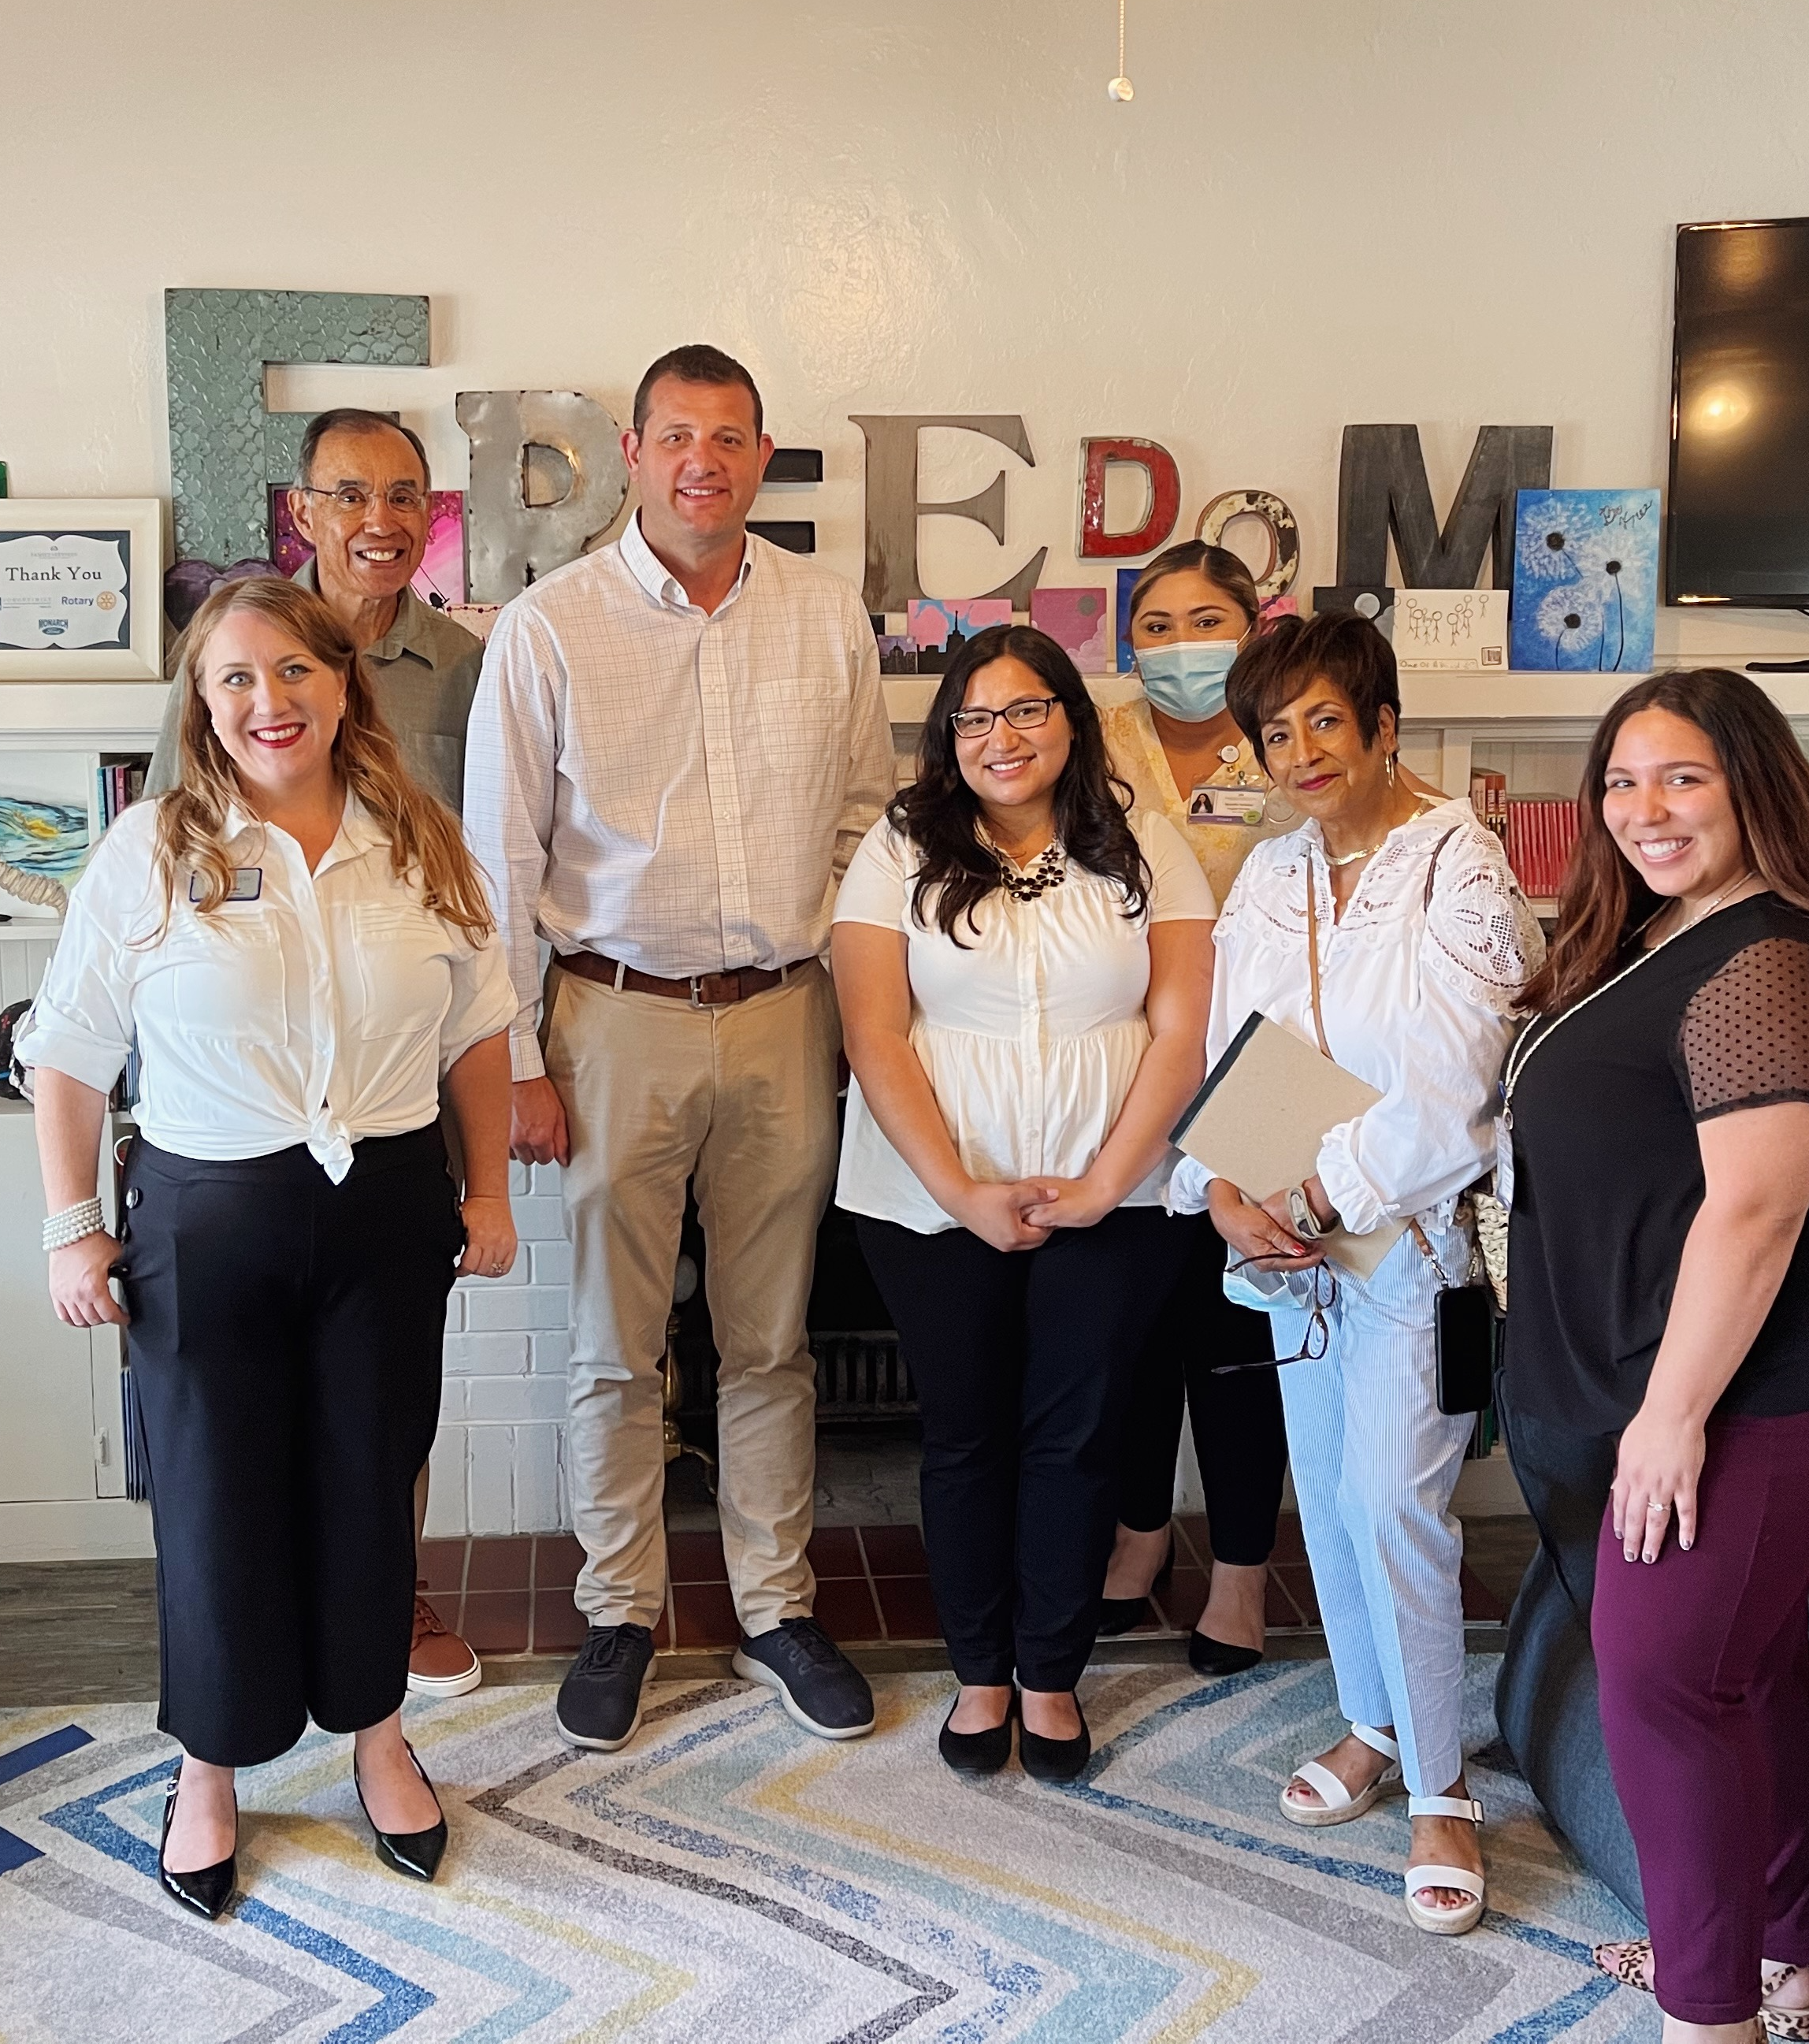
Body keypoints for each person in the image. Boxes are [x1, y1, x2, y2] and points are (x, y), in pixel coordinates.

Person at [24, 577, 518, 1919]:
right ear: (202, 699)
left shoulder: (422, 839)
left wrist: (488, 1197)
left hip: (386, 1208)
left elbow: (478, 1028)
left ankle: (375, 1733)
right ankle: (210, 1766)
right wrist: (74, 1225)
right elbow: (66, 1053)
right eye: (237, 676)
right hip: (207, 1216)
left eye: (295, 669)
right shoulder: (150, 846)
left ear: (343, 681)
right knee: (214, 1496)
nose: (269, 700)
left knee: (371, 1481)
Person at [1500, 670, 1809, 2044]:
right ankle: (1779, 1953)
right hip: (1699, 1357)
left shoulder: (1775, 960)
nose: (1644, 809)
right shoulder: (1666, 930)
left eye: (1681, 776)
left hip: (1783, 1372)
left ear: (1754, 782)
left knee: (1663, 1675)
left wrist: (1670, 1414)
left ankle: (1712, 2016)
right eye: (1622, 781)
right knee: (1744, 1663)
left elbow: (1754, 1210)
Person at [467, 343, 894, 1755]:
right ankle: (620, 1610)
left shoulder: (828, 619)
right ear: (634, 455)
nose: (701, 459)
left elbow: (859, 829)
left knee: (773, 1339)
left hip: (785, 1012)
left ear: (759, 454)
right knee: (615, 1344)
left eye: (728, 436)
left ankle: (777, 1602)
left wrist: (852, 1018)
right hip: (610, 1018)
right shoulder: (548, 626)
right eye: (674, 436)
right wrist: (520, 1056)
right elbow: (500, 860)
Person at [1170, 611, 1538, 1937]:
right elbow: (1235, 1046)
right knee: (1324, 1492)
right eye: (1278, 729)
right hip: (1288, 1248)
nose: (1303, 748)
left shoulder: (1460, 864)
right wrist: (1222, 1188)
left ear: (1382, 723)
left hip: (1415, 1246)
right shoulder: (1269, 871)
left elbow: (1456, 1080)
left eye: (1328, 718)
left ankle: (1444, 1789)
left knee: (1396, 1500)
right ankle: (1371, 1722)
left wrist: (1320, 1189)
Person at [145, 408, 492, 1698]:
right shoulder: (241, 647)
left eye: (405, 494)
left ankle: (384, 1611)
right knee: (233, 1410)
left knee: (380, 1370)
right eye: (351, 492)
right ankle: (252, 1645)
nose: (380, 519)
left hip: (405, 1047)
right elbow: (169, 849)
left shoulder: (464, 662)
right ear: (305, 508)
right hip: (242, 1090)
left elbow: (478, 865)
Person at [834, 622, 1212, 1778]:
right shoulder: (902, 846)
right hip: (931, 1197)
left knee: (1076, 1436)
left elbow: (1181, 1028)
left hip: (1118, 1192)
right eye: (976, 718)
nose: (1004, 738)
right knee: (964, 1439)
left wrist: (1106, 1183)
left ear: (1071, 720)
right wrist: (962, 1189)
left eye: (1029, 710)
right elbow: (874, 1032)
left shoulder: (1142, 836)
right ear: (950, 737)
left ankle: (1049, 1676)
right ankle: (978, 1676)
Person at [1094, 538, 1296, 1673]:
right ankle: (1136, 1538)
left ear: (1254, 627)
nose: (1181, 646)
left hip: (1266, 1070)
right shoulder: (1100, 743)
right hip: (1131, 1063)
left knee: (1233, 1334)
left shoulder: (1290, 738)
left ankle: (1238, 1576)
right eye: (1158, 626)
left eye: (1206, 620)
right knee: (1130, 1328)